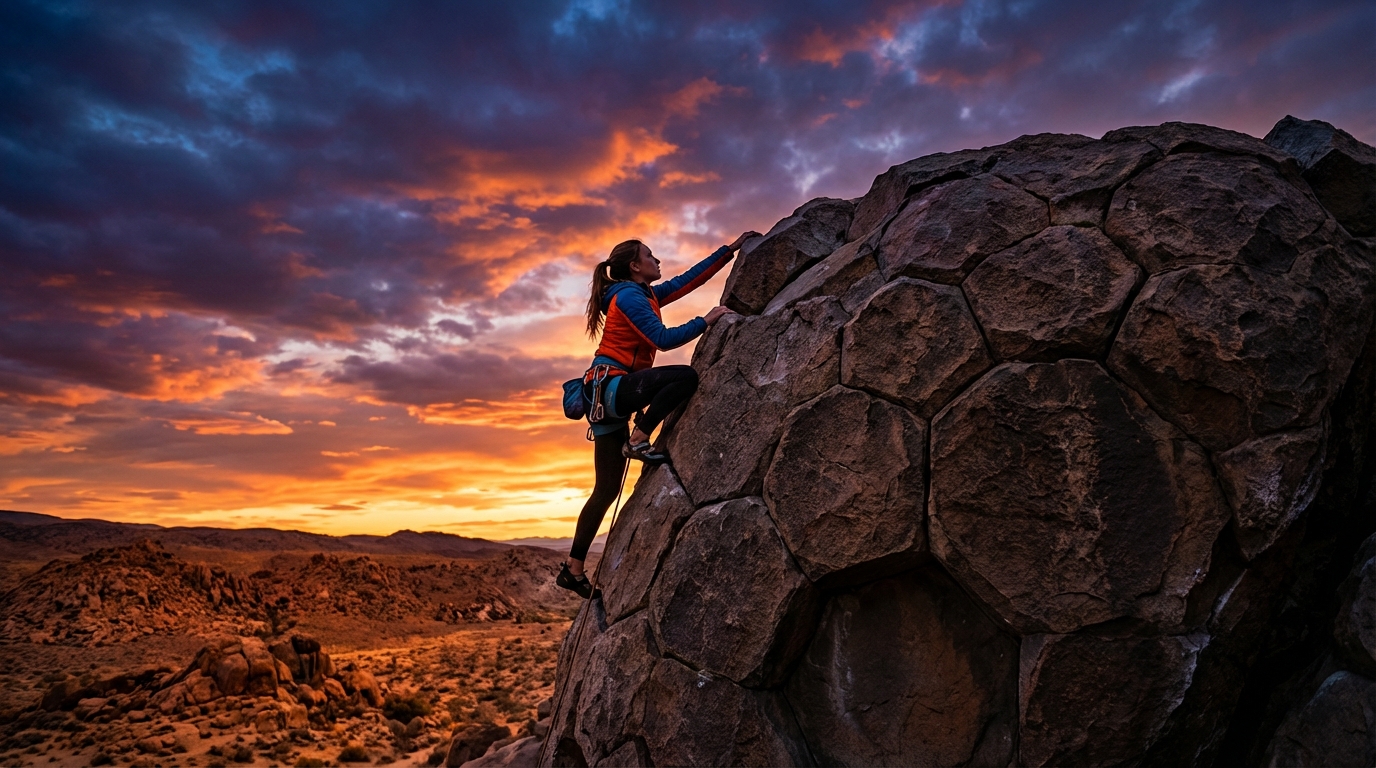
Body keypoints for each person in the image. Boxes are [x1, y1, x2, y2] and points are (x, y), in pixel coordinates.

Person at [556, 232, 760, 599]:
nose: (657, 260)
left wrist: (728, 251)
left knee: (606, 490)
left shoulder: (643, 293)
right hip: (614, 388)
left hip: (605, 396)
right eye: (650, 256)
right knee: (684, 377)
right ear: (635, 266)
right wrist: (707, 319)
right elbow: (662, 340)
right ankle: (639, 438)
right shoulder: (629, 297)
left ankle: (573, 569)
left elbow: (685, 282)